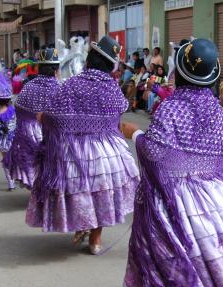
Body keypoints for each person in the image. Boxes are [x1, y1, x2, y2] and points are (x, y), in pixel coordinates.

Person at [121, 38, 223, 287]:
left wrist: (136, 133)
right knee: (199, 260)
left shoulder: (170, 108)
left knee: (159, 255)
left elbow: (156, 152)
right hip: (214, 199)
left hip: (172, 198)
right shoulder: (218, 112)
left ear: (179, 73)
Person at [26, 36, 140, 255]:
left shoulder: (70, 84)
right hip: (107, 155)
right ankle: (95, 239)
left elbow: (53, 117)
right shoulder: (112, 89)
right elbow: (116, 120)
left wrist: (43, 119)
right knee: (102, 194)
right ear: (111, 66)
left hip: (72, 154)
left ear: (88, 61)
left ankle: (83, 224)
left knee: (82, 194)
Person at [3, 47, 61, 189]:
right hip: (50, 135)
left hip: (27, 134)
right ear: (56, 70)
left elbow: (18, 109)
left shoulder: (28, 86)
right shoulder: (60, 88)